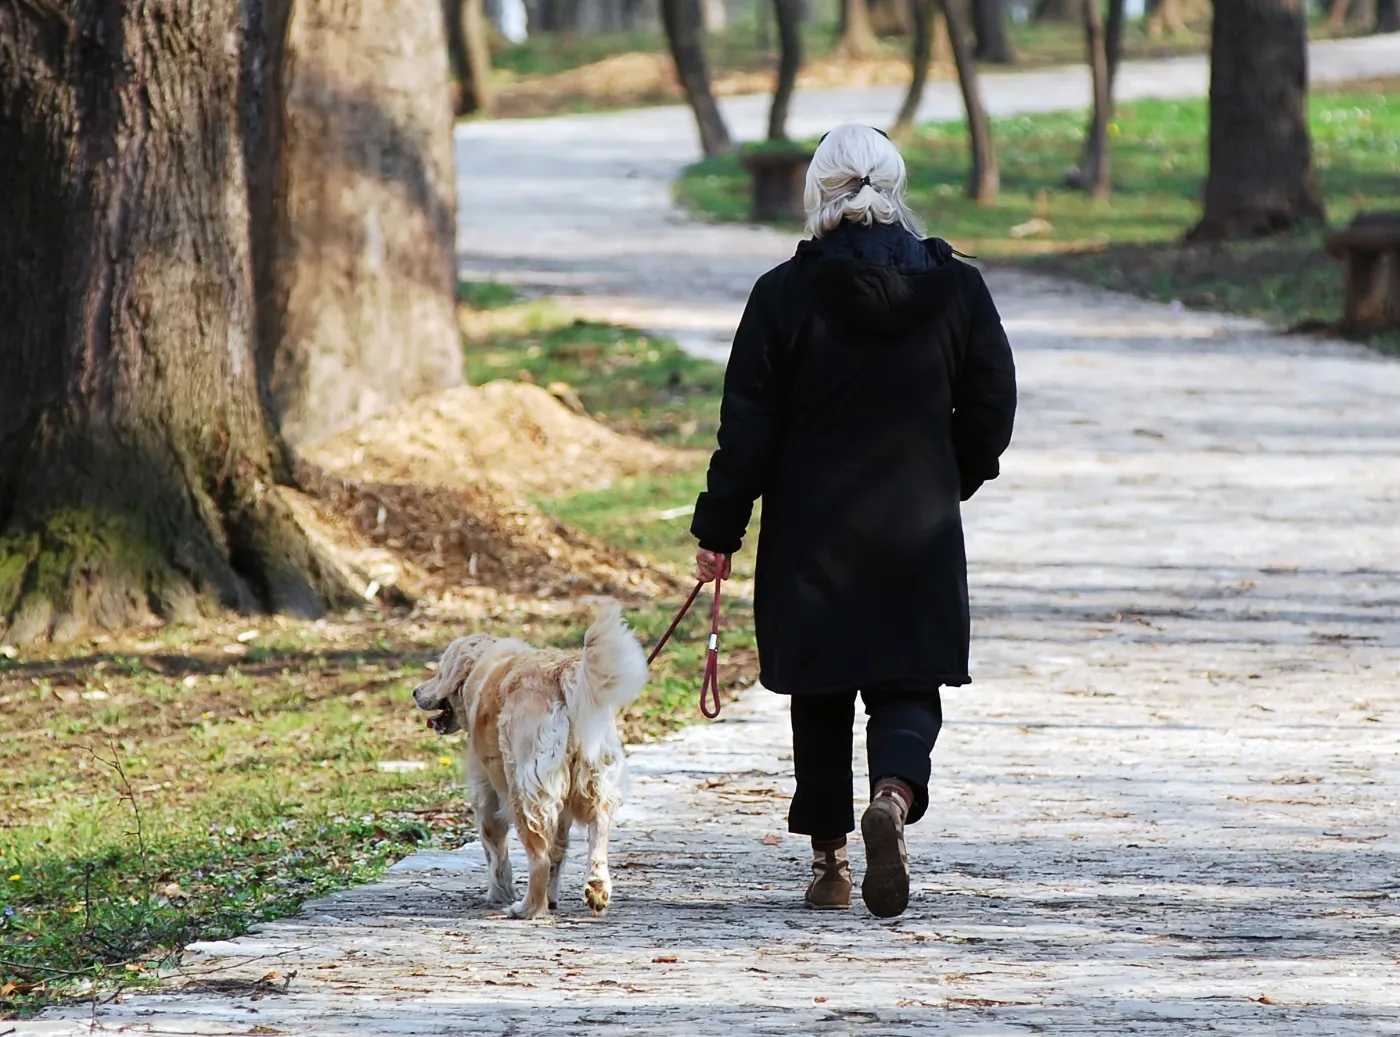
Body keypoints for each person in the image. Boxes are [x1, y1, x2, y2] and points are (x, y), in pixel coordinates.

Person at [690, 124, 1017, 918]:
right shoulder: (957, 287)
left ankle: (831, 863)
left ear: (819, 193)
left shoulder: (782, 294)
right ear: (895, 187)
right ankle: (895, 798)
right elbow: (991, 404)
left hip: (812, 529)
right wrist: (953, 476)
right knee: (908, 681)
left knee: (823, 690)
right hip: (918, 525)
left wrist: (719, 529)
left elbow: (749, 427)